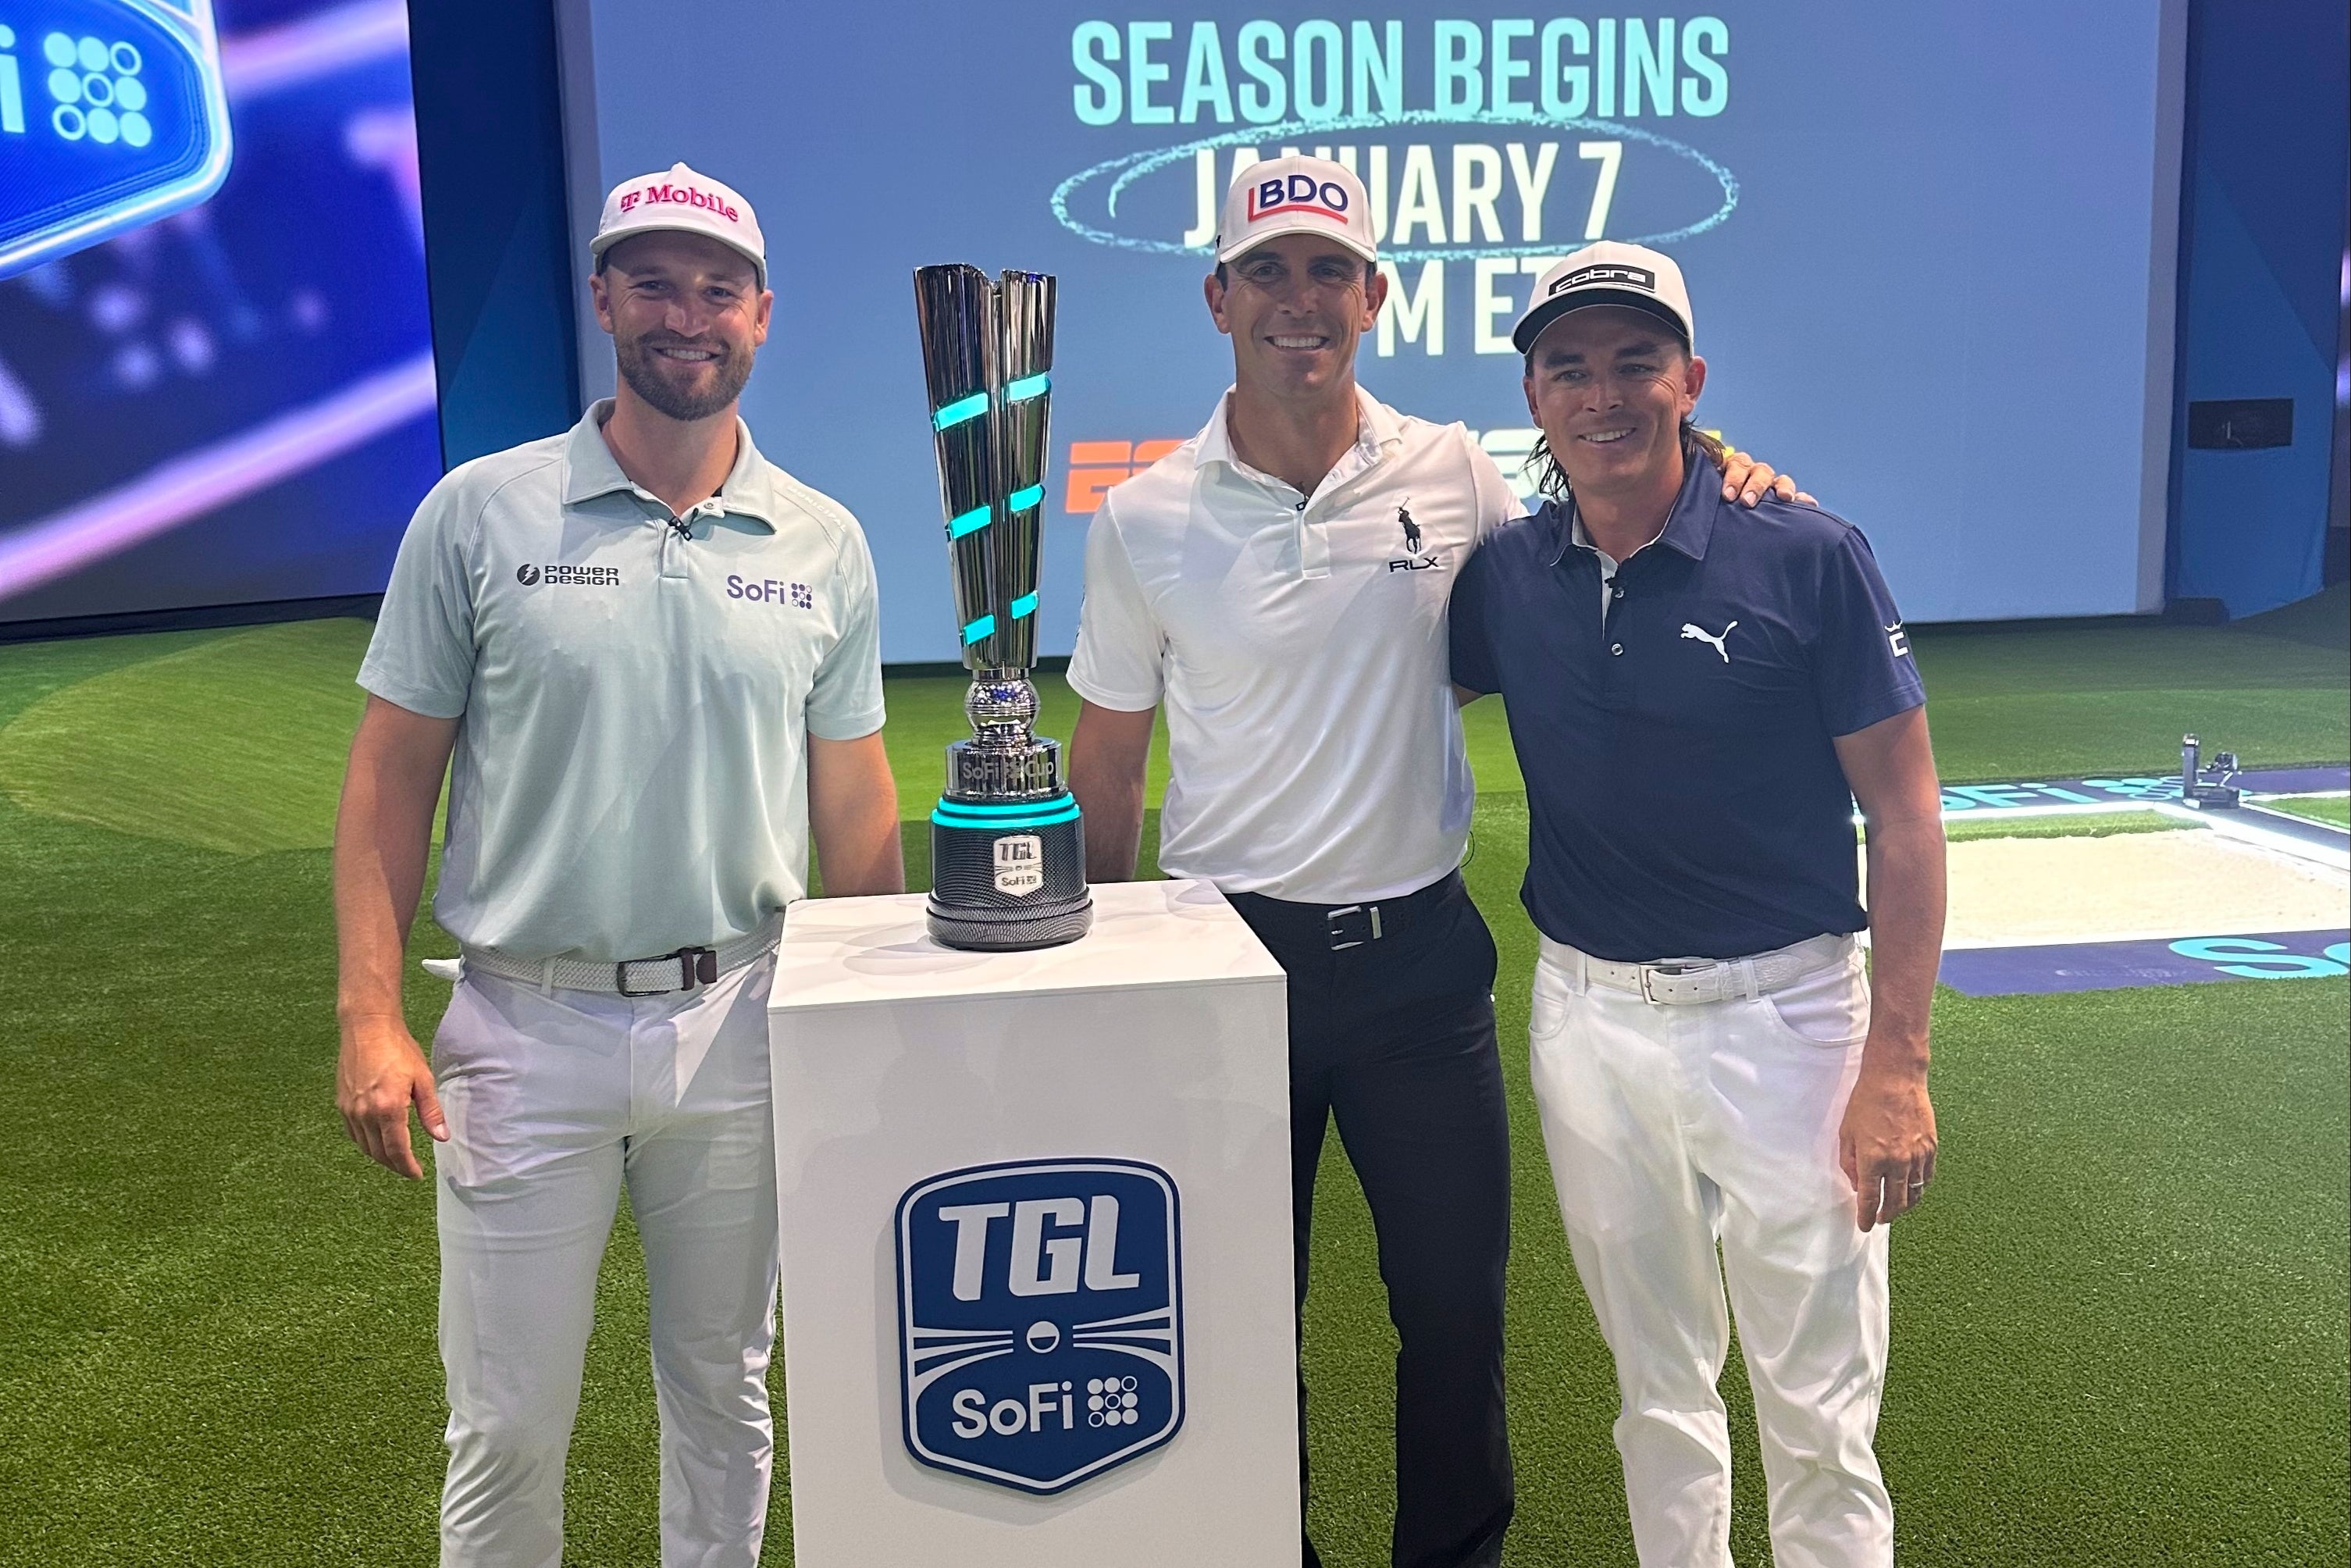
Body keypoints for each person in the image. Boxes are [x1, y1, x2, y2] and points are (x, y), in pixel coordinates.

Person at [1063, 159, 1798, 1568]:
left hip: (1419, 969)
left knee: (1455, 1313)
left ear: (1376, 294)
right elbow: (1109, 761)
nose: (1300, 301)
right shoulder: (1146, 517)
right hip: (1227, 972)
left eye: (1330, 270)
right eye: (1268, 271)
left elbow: (1613, 499)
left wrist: (1729, 466)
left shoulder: (1452, 469)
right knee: (1233, 1315)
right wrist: (1112, 974)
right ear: (1218, 297)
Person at [331, 162, 903, 1567]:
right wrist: (368, 1013)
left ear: (763, 316)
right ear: (603, 300)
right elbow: (389, 778)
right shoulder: (479, 512)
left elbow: (856, 801)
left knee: (726, 1392)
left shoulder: (822, 539)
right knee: (510, 1422)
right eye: (652, 281)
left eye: (717, 289)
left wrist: (890, 1021)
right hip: (525, 1029)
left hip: (743, 1018)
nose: (685, 314)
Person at [1448, 242, 1945, 1568]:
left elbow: (1906, 817)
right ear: (1535, 398)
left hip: (1790, 1023)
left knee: (1820, 1410)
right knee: (1657, 1395)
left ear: (1690, 380)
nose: (1602, 393)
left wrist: (1898, 1062)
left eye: (1634, 362)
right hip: (1590, 1019)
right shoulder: (1506, 575)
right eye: (1569, 367)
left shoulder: (1807, 552)